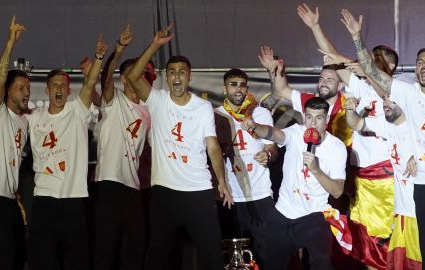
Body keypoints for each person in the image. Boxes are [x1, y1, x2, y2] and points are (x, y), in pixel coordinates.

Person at [339, 8, 425, 269]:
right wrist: (356, 37)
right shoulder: (408, 93)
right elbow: (371, 72)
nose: (422, 65)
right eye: (418, 62)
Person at [126, 23, 233, 270]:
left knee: (211, 255)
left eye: (181, 72)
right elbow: (132, 77)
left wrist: (222, 181)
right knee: (156, 255)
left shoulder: (202, 107)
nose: (176, 76)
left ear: (189, 76)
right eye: (172, 72)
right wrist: (154, 45)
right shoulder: (157, 100)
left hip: (198, 190)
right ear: (167, 77)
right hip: (165, 192)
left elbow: (213, 147)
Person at [298, 4, 397, 268]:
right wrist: (315, 27)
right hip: (362, 179)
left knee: (392, 243)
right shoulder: (361, 88)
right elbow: (332, 57)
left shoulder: (401, 93)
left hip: (389, 179)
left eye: (372, 61)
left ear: (390, 66)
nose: (363, 64)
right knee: (365, 244)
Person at [26, 37, 108, 270]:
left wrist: (99, 58)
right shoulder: (35, 118)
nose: (59, 89)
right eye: (55, 85)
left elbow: (90, 84)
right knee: (42, 262)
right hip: (43, 202)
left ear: (69, 89)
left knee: (78, 262)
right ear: (47, 89)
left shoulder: (76, 112)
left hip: (74, 202)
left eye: (63, 85)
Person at [242, 89, 346, 270]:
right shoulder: (296, 132)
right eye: (309, 117)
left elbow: (337, 190)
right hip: (284, 212)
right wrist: (254, 127)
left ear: (327, 120)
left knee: (322, 261)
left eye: (319, 118)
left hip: (314, 216)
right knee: (270, 262)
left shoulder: (336, 147)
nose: (312, 123)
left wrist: (316, 170)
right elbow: (274, 134)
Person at [91, 25, 151, 270]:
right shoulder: (113, 99)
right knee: (105, 248)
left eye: (144, 74)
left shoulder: (148, 111)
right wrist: (118, 49)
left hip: (133, 187)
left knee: (136, 248)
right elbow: (105, 78)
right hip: (109, 182)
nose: (140, 77)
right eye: (134, 73)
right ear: (124, 78)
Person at [345, 96, 422, 269]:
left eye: (391, 101)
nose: (385, 104)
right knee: (398, 263)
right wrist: (350, 109)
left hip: (419, 211)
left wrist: (419, 157)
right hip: (401, 210)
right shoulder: (387, 125)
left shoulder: (418, 125)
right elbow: (356, 124)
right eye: (384, 101)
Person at [214, 68, 278, 268]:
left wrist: (268, 155)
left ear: (247, 88)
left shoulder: (260, 112)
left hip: (260, 194)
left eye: (242, 85)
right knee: (235, 259)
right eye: (233, 84)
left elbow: (273, 147)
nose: (238, 89)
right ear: (224, 89)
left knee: (266, 253)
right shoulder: (216, 115)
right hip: (232, 196)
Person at [0, 15, 29, 270]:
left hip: (9, 200)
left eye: (28, 88)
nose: (27, 92)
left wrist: (18, 199)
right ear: (9, 90)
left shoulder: (23, 122)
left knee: (18, 257)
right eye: (21, 87)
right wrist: (10, 42)